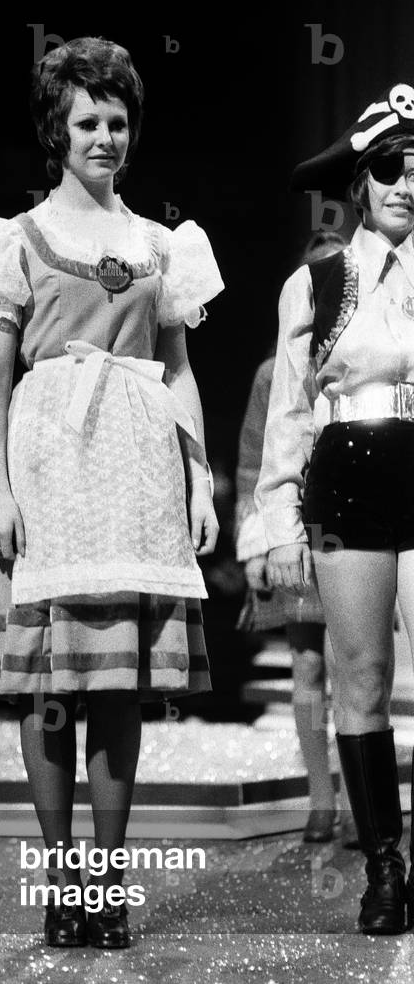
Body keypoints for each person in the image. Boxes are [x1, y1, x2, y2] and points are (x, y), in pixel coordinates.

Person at [0, 36, 222, 949]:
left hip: (136, 470)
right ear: (55, 132)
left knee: (117, 685)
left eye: (118, 121)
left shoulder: (159, 244)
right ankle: (62, 878)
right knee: (48, 686)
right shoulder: (14, 241)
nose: (106, 136)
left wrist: (200, 480)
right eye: (88, 121)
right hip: (50, 462)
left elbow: (178, 368)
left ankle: (107, 882)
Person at [257, 82, 414, 934]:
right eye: (391, 165)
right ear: (362, 178)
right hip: (353, 469)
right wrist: (275, 523)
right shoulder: (317, 283)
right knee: (361, 677)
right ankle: (384, 866)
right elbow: (287, 412)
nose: (406, 183)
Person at [236, 231, 358, 846]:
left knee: (359, 666)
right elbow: (254, 460)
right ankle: (320, 797)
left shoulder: (365, 356)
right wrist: (257, 542)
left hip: (356, 523)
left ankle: (365, 799)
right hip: (295, 530)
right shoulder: (272, 371)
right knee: (308, 664)